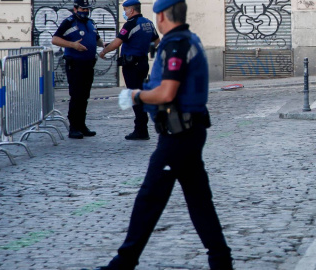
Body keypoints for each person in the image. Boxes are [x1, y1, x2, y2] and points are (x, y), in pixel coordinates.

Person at [95, 0, 233, 269]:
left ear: (161, 17)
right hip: (186, 131)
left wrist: (135, 95)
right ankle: (221, 261)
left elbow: (167, 92)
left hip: (178, 135)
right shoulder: (188, 39)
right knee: (199, 201)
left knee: (149, 198)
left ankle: (122, 264)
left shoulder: (176, 44)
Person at [99, 0, 160, 140]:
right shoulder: (148, 23)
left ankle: (141, 130)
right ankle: (141, 128)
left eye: (125, 9)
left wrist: (104, 52)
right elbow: (157, 42)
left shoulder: (131, 23)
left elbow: (117, 42)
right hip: (143, 63)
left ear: (132, 10)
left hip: (132, 65)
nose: (124, 13)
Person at [52, 0, 105, 139]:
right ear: (75, 9)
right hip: (75, 64)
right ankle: (74, 127)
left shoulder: (90, 22)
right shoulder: (69, 22)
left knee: (84, 96)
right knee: (76, 96)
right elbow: (55, 40)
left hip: (88, 64)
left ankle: (82, 125)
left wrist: (104, 45)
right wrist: (72, 45)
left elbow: (96, 38)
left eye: (87, 9)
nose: (85, 11)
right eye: (83, 8)